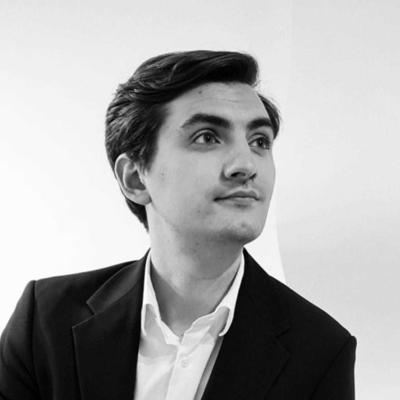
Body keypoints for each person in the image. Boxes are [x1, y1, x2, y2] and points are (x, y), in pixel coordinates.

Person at [0, 50, 356, 400]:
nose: (246, 166)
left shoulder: (320, 352)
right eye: (207, 137)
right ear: (135, 178)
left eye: (259, 142)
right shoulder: (45, 322)